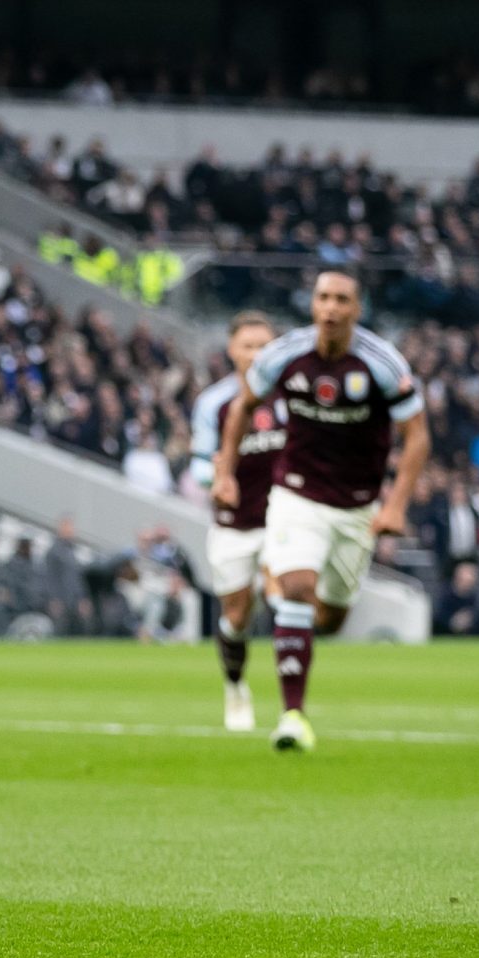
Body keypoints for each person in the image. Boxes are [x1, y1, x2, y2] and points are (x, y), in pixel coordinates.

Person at [212, 272, 426, 754]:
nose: (330, 308)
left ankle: (291, 622)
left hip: (356, 507)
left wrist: (395, 504)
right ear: (311, 304)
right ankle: (293, 716)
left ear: (357, 308)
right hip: (295, 495)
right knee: (297, 590)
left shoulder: (382, 363)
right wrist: (226, 470)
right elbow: (243, 406)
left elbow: (418, 435)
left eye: (341, 300)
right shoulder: (285, 355)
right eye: (323, 298)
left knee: (329, 618)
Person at [188, 311, 281, 731]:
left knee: (285, 594)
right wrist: (218, 478)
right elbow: (200, 465)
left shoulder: (289, 397)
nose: (257, 353)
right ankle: (235, 685)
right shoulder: (214, 403)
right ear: (232, 350)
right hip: (233, 525)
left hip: (283, 521)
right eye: (249, 346)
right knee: (237, 617)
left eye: (265, 345)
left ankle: (292, 700)